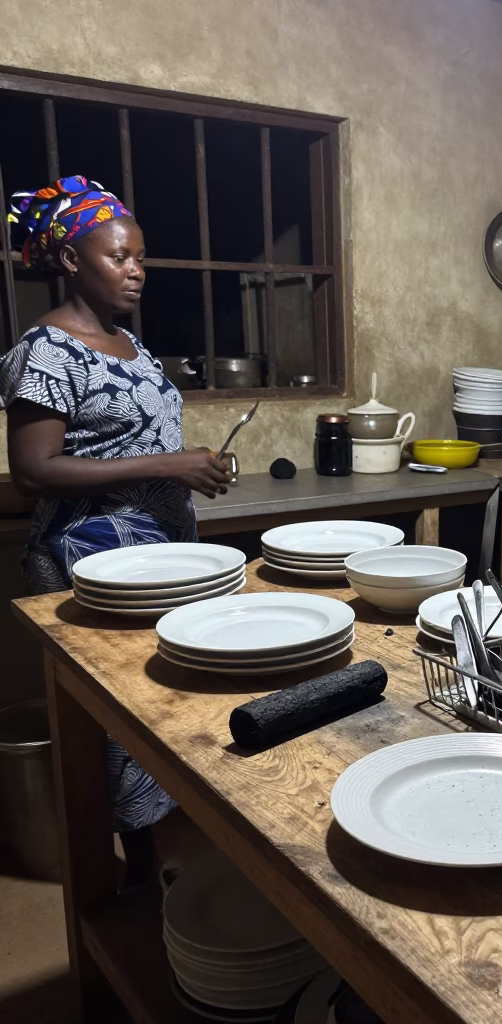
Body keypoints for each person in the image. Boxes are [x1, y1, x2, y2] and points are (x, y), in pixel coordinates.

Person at [0, 175, 228, 877]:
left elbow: (136, 443)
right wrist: (170, 463)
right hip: (92, 565)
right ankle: (139, 872)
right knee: (120, 718)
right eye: (119, 256)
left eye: (141, 257)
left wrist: (192, 467)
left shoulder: (128, 342)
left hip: (158, 561)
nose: (137, 270)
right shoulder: (47, 349)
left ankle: (169, 857)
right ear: (71, 259)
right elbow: (34, 470)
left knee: (166, 699)